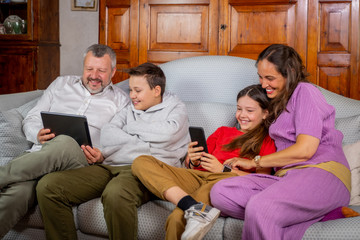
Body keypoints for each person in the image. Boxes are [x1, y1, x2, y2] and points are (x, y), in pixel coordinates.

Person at [210, 44, 352, 240]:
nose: (263, 84)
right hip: (287, 179)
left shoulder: (305, 91)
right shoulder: (278, 103)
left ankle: (287, 212)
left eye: (270, 78)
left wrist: (254, 162)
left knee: (261, 208)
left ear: (290, 73)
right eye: (261, 77)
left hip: (320, 172)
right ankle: (321, 214)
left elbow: (305, 150)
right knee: (221, 193)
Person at [36, 62, 190, 240]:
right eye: (130, 90)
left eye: (137, 91)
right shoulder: (129, 108)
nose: (132, 96)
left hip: (146, 172)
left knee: (116, 194)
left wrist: (129, 129)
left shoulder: (176, 108)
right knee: (49, 186)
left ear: (156, 90)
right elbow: (108, 134)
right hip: (111, 165)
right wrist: (144, 142)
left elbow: (168, 134)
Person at [0, 44, 129, 238]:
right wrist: (37, 134)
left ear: (113, 72)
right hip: (40, 157)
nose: (94, 75)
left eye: (101, 71)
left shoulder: (122, 101)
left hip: (79, 164)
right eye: (89, 69)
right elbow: (33, 117)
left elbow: (124, 141)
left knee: (65, 142)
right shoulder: (61, 84)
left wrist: (102, 152)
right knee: (18, 195)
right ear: (83, 67)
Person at [132, 84, 276, 240]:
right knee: (141, 161)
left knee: (177, 218)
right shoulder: (222, 131)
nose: (242, 115)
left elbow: (261, 182)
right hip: (196, 176)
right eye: (239, 109)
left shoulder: (267, 141)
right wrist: (193, 160)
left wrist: (223, 170)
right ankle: (189, 204)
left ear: (265, 113)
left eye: (250, 110)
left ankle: (191, 209)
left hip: (222, 183)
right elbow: (199, 164)